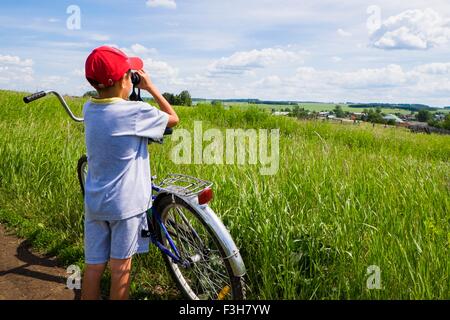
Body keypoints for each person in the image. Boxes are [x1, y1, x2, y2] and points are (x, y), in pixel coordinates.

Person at [81, 46, 179, 300]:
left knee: (93, 267)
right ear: (125, 80)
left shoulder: (88, 110)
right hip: (125, 207)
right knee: (120, 270)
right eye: (130, 75)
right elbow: (173, 118)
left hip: (95, 204)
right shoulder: (135, 112)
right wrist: (150, 87)